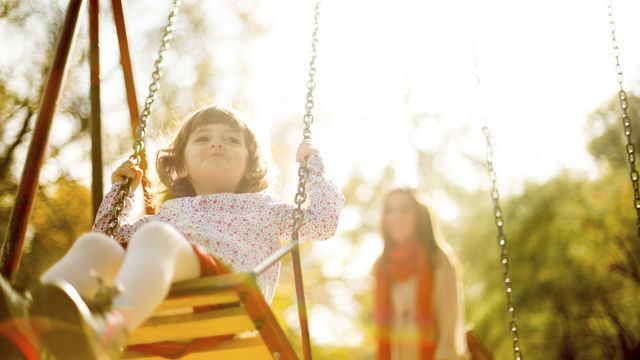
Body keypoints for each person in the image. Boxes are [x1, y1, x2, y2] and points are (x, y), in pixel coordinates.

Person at [0, 105, 344, 359]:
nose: (217, 144)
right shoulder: (169, 213)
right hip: (155, 303)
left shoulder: (266, 208)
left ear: (251, 164)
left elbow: (323, 221)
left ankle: (106, 328)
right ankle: (26, 322)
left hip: (225, 298)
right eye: (203, 138)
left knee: (156, 237)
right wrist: (121, 192)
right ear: (180, 164)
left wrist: (313, 167)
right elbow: (107, 235)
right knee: (95, 246)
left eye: (231, 140)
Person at [374, 188, 469, 360]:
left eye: (405, 209)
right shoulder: (381, 267)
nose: (396, 216)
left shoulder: (438, 260)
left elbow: (449, 332)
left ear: (419, 215)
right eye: (390, 210)